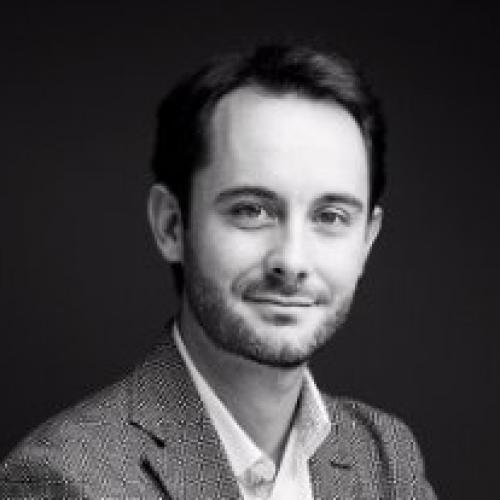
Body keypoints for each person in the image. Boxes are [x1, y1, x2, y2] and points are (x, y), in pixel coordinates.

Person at [0, 44, 437, 499]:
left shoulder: (386, 458)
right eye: (251, 210)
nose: (292, 261)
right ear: (171, 226)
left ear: (367, 241)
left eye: (330, 216)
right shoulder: (63, 479)